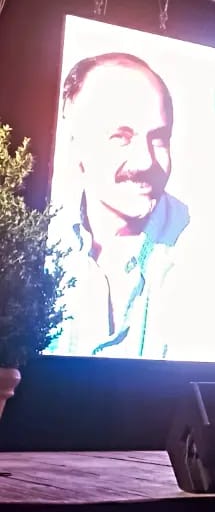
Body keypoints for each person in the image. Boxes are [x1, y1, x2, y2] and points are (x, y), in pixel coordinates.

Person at [50, 52, 190, 358]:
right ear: (75, 142)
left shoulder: (202, 254)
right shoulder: (37, 243)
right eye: (121, 137)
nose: (145, 161)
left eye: (159, 139)